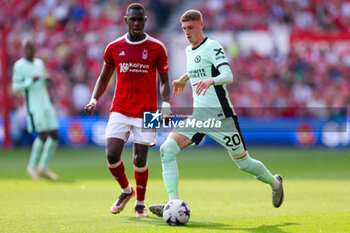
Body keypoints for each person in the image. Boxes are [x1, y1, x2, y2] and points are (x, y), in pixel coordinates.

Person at [149, 9, 284, 217]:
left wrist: (211, 80)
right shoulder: (188, 50)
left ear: (201, 25)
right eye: (184, 28)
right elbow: (198, 67)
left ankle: (275, 183)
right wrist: (185, 79)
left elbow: (228, 75)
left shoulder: (213, 46)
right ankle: (173, 203)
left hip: (222, 118)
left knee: (244, 164)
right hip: (199, 117)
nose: (187, 32)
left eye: (191, 28)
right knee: (167, 149)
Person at [84, 3, 171, 217]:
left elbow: (164, 81)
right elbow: (104, 77)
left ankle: (140, 203)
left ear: (145, 20)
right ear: (126, 20)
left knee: (140, 160)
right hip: (120, 108)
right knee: (112, 154)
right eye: (132, 19)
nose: (136, 23)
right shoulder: (114, 47)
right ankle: (126, 191)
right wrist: (94, 98)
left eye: (140, 19)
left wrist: (166, 104)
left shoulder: (157, 47)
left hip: (149, 111)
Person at [12, 39, 59, 180]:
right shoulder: (19, 66)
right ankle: (32, 166)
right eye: (27, 48)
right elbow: (15, 88)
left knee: (55, 136)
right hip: (34, 106)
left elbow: (44, 80)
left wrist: (47, 79)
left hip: (45, 103)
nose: (29, 50)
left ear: (34, 48)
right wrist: (29, 81)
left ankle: (43, 167)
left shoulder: (39, 63)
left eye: (31, 48)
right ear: (23, 50)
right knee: (43, 136)